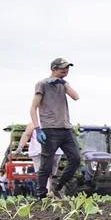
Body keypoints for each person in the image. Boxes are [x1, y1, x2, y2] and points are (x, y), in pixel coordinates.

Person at [32, 57, 81, 197]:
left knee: (76, 159)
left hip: (66, 129)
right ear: (53, 69)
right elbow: (33, 107)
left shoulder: (63, 84)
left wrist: (64, 82)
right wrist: (37, 129)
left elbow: (76, 96)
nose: (66, 71)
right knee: (46, 164)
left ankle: (58, 186)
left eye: (67, 69)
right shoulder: (41, 84)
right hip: (50, 129)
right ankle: (40, 194)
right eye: (62, 69)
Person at [16, 120, 63, 195]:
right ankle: (49, 192)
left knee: (42, 173)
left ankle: (46, 192)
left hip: (42, 150)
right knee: (50, 174)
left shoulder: (34, 123)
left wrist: (20, 147)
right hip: (48, 150)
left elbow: (27, 134)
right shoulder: (56, 121)